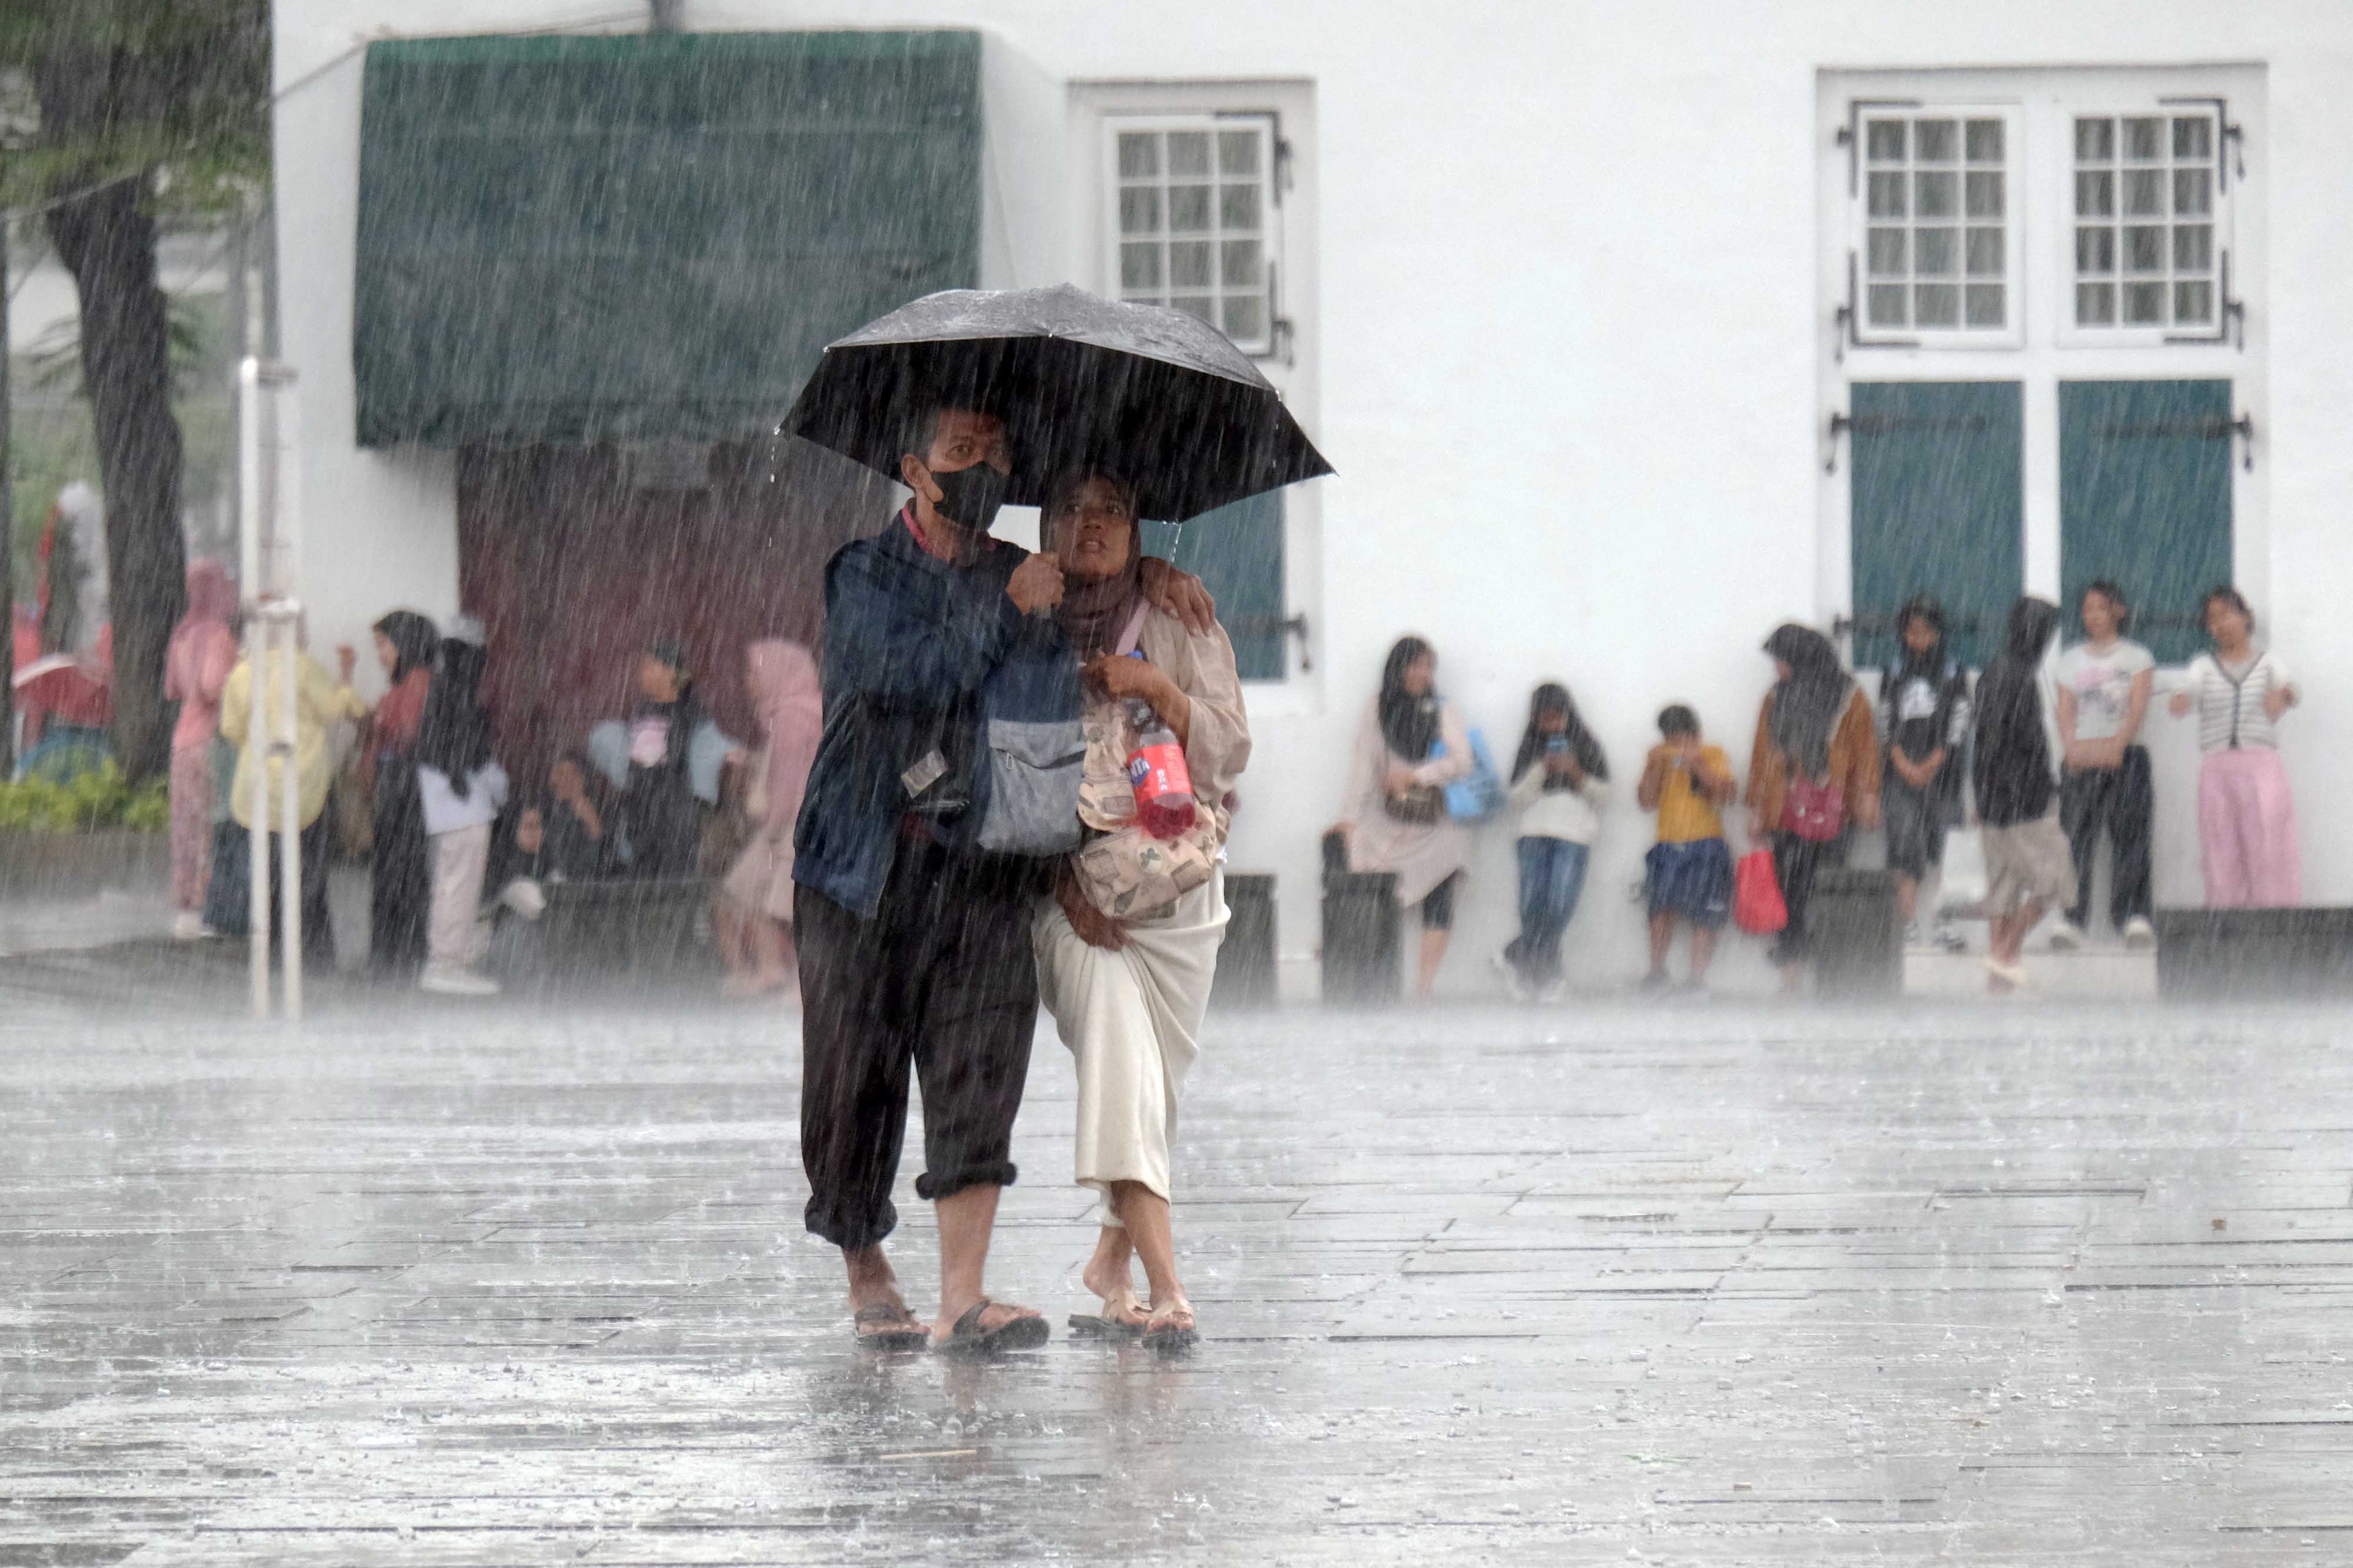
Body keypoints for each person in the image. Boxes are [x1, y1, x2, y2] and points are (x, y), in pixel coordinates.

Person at [792, 404, 1214, 1354]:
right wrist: (1007, 611)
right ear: (915, 466)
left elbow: (1064, 670)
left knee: (980, 1066)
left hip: (981, 867)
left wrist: (1153, 570)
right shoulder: (864, 572)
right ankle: (866, 1262)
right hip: (861, 865)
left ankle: (962, 1294)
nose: (982, 466)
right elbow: (901, 674)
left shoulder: (1023, 577)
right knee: (853, 1074)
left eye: (997, 452)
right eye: (961, 452)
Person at [1031, 468, 1251, 1352]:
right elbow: (993, 764)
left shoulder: (1178, 613)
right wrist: (1058, 884)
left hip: (1177, 883)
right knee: (1125, 1065)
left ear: (1137, 528)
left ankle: (1108, 1265)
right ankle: (1168, 1285)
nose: (1092, 526)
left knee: (1155, 1083)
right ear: (1045, 524)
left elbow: (1231, 749)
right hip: (1075, 891)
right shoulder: (1020, 612)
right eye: (1073, 511)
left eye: (1113, 511)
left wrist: (1156, 687)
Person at [217, 631, 368, 965]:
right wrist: (345, 680)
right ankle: (311, 953)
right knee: (306, 874)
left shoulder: (242, 673)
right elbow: (333, 710)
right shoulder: (303, 667)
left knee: (267, 875)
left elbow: (230, 729)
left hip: (257, 790)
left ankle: (272, 954)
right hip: (303, 788)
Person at [1335, 637, 1473, 1001]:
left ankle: (1424, 986)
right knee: (1367, 875)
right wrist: (1348, 818)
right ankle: (1373, 982)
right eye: (1416, 665)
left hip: (1433, 820)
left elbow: (1462, 761)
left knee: (1442, 888)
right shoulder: (1377, 709)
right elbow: (1363, 765)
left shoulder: (1442, 710)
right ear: (1398, 668)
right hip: (1389, 816)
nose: (1423, 674)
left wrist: (1416, 776)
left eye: (1429, 667)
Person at [1746, 624, 1881, 993]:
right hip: (1786, 805)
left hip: (1833, 806)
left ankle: (1830, 969)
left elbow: (1865, 748)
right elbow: (1762, 754)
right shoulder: (1776, 698)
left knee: (1827, 885)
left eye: (1781, 659)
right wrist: (1757, 808)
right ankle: (1791, 969)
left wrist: (1868, 794)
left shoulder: (1848, 697)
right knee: (1788, 887)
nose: (1777, 667)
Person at [2169, 587, 2302, 907]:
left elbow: (2293, 689)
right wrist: (2183, 700)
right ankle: (2227, 922)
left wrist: (2281, 696)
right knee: (2220, 844)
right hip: (2217, 765)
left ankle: (2276, 919)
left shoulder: (2268, 662)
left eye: (2227, 614)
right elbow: (2189, 689)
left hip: (2261, 764)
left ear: (2245, 617)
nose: (2221, 624)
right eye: (2213, 619)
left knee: (2269, 841)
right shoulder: (2203, 665)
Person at [1971, 597, 2077, 992]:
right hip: (2025, 801)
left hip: (1996, 801)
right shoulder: (2017, 676)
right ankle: (2003, 953)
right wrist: (2036, 787)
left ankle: (1998, 978)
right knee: (2055, 879)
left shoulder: (1994, 671)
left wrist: (1984, 794)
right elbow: (2011, 741)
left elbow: (1984, 742)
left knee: (2003, 888)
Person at [2052, 581, 2156, 950]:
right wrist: (2072, 748)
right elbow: (2064, 709)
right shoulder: (2070, 660)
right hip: (2081, 758)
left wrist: (2117, 744)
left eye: (2101, 607)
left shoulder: (2137, 657)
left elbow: (2138, 706)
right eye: (2087, 609)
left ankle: (2133, 917)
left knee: (2131, 837)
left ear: (2119, 611)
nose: (2093, 615)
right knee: (2075, 840)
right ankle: (2071, 920)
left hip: (2127, 757)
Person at [717, 639, 823, 1000]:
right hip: (801, 824)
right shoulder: (797, 712)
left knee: (782, 903)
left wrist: (774, 825)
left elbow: (789, 779)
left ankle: (790, 977)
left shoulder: (792, 717)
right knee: (753, 894)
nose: (749, 680)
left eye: (755, 672)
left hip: (796, 826)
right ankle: (776, 971)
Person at [1493, 682, 1608, 1002]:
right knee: (1533, 908)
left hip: (1573, 834)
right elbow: (1515, 799)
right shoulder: (1530, 748)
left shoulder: (1586, 744)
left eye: (1558, 718)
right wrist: (1539, 771)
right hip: (1533, 834)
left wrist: (1576, 773)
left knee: (1560, 906)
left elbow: (1605, 795)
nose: (1553, 726)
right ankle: (1547, 978)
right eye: (1545, 720)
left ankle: (1516, 955)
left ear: (1569, 715)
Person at [588, 639, 735, 879]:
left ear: (669, 671)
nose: (641, 672)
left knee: (673, 883)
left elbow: (696, 759)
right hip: (640, 814)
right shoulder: (642, 710)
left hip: (675, 817)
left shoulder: (691, 713)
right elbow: (637, 762)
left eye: (648, 665)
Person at [1876, 595, 1971, 952]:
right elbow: (1885, 720)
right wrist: (1900, 760)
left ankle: (1947, 924)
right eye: (1911, 632)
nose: (1918, 640)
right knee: (1904, 846)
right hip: (1900, 773)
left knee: (1948, 846)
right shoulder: (1894, 671)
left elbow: (1961, 719)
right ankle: (1908, 924)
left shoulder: (1953, 671)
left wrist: (1935, 760)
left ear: (1938, 634)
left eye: (1926, 632)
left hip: (1943, 773)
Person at [414, 638, 509, 996]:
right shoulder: (458, 697)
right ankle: (447, 963)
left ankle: (448, 957)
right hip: (462, 811)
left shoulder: (440, 693)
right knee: (458, 885)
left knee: (451, 883)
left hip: (451, 810)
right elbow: (469, 750)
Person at [1639, 704, 1738, 996]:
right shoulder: (1658, 757)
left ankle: (1696, 979)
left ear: (1695, 735)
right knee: (1660, 909)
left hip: (1707, 843)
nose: (1676, 744)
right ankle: (1656, 972)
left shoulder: (1712, 753)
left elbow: (1726, 795)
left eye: (1682, 737)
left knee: (1705, 913)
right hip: (1668, 843)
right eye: (1671, 738)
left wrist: (1699, 765)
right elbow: (1646, 802)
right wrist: (1654, 766)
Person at [164, 561, 239, 941]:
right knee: (212, 826)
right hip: (211, 741)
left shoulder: (181, 635)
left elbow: (176, 689)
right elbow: (212, 687)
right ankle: (208, 904)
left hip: (182, 742)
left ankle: (185, 905)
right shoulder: (219, 635)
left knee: (186, 827)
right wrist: (239, 674)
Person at [365, 611, 439, 976]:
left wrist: (379, 726)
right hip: (398, 785)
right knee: (397, 871)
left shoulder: (416, 682)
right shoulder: (409, 682)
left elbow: (408, 733)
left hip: (403, 786)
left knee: (400, 872)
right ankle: (395, 952)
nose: (379, 654)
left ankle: (397, 953)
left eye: (383, 644)